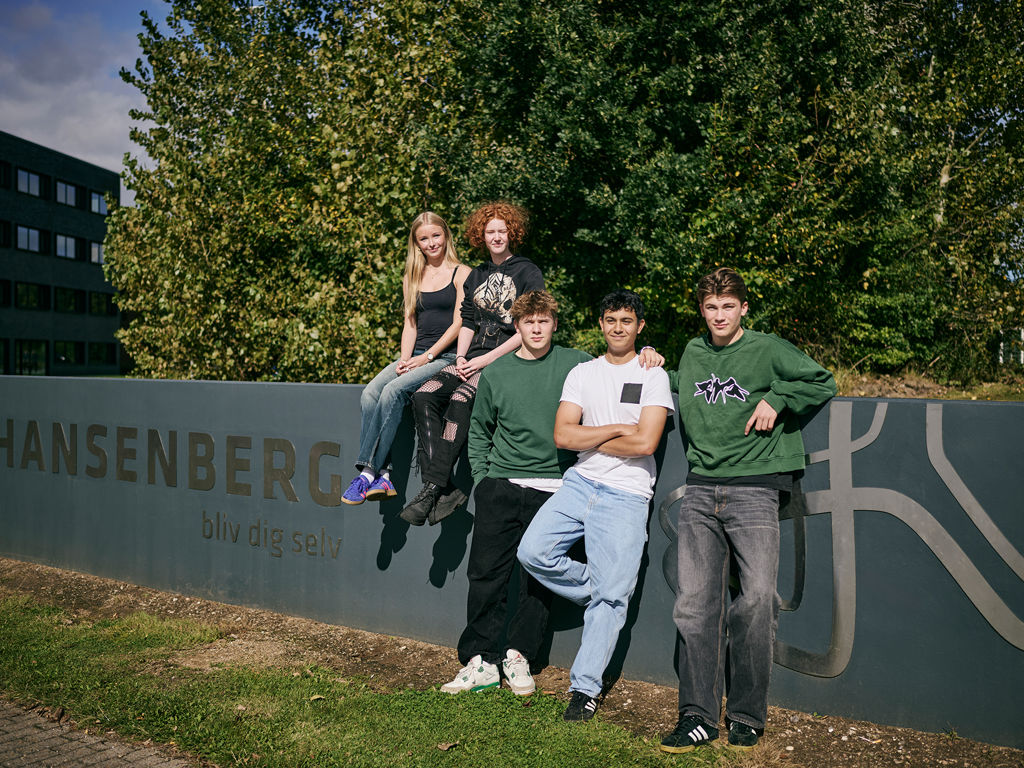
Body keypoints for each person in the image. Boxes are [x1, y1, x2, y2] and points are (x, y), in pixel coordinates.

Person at [659, 267, 836, 754]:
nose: (719, 315)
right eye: (711, 307)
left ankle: (745, 714)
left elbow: (823, 380)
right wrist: (654, 363)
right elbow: (686, 383)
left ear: (743, 309)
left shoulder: (767, 348)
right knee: (695, 606)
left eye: (728, 307)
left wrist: (777, 399)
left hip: (755, 490)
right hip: (699, 490)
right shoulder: (693, 351)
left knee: (757, 599)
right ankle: (696, 715)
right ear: (702, 309)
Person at [517, 290, 673, 721]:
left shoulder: (653, 374)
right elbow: (564, 436)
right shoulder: (582, 372)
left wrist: (595, 432)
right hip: (579, 483)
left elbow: (646, 442)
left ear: (639, 327)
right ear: (600, 325)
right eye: (610, 320)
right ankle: (603, 594)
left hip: (626, 495)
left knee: (611, 597)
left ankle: (584, 690)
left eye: (627, 320)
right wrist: (617, 427)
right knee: (532, 552)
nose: (618, 327)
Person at [441, 290, 591, 694]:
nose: (537, 328)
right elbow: (480, 432)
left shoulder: (577, 363)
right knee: (486, 574)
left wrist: (649, 353)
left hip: (557, 490)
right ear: (518, 326)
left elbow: (620, 372)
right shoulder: (498, 372)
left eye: (544, 321)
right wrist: (485, 479)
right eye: (528, 322)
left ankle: (520, 656)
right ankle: (480, 660)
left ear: (554, 324)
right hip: (501, 485)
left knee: (537, 579)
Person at [402, 201, 543, 526]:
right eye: (490, 231)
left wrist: (488, 359)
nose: (496, 236)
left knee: (461, 399)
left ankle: (432, 489)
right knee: (424, 394)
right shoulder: (476, 274)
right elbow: (467, 321)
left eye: (502, 230)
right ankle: (444, 487)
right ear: (481, 235)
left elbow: (529, 326)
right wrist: (463, 357)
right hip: (473, 357)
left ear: (512, 233)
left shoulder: (527, 271)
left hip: (507, 360)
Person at [341, 212, 471, 505]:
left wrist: (427, 356)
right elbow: (410, 324)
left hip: (443, 356)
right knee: (369, 394)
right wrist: (404, 359)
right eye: (424, 239)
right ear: (417, 243)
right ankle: (384, 477)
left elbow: (459, 323)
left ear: (446, 235)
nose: (431, 243)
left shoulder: (462, 273)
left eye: (436, 235)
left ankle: (366, 472)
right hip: (415, 355)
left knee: (393, 391)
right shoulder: (412, 275)